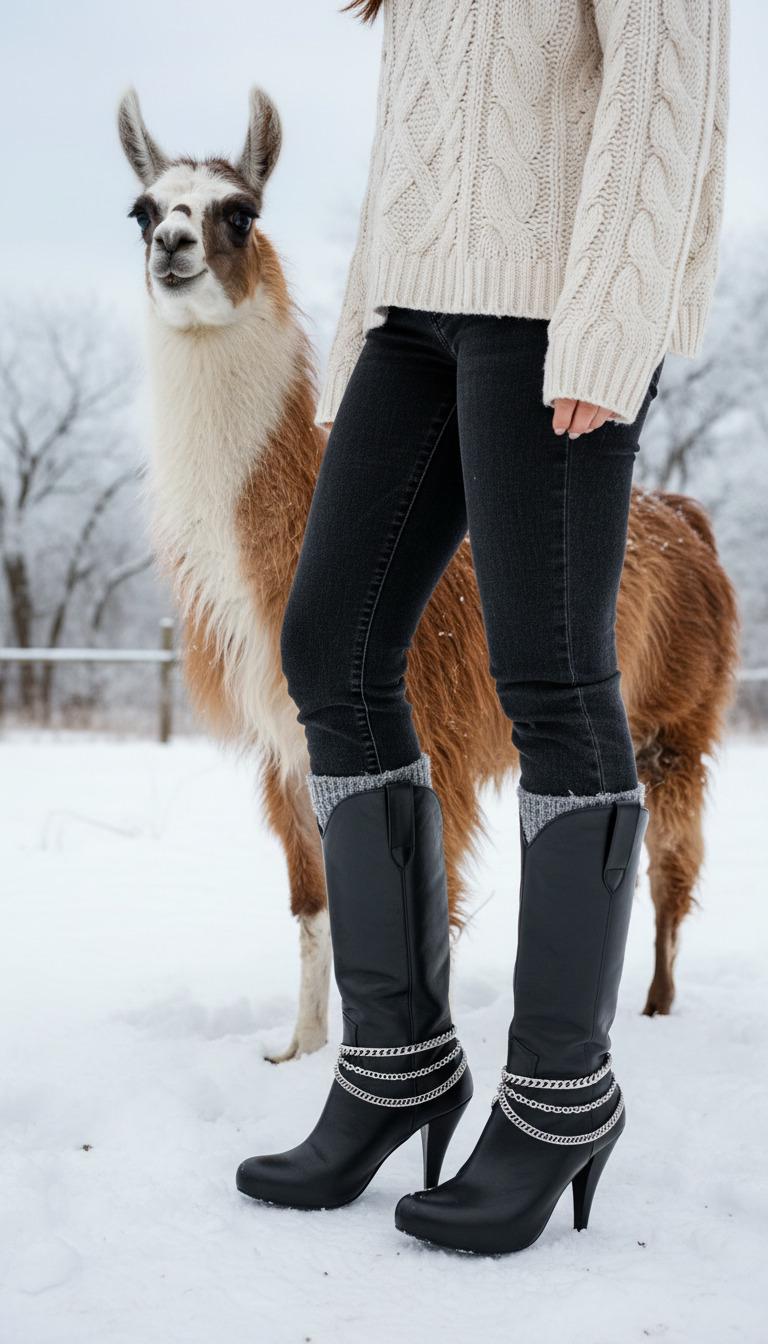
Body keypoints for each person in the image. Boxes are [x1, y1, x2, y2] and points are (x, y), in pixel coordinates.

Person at [236, 0, 729, 1254]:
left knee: (550, 679)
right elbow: (418, 130)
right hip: (412, 314)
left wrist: (611, 323)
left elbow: (663, 87)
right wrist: (362, 332)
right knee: (328, 652)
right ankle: (395, 1061)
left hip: (556, 306)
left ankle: (563, 1092)